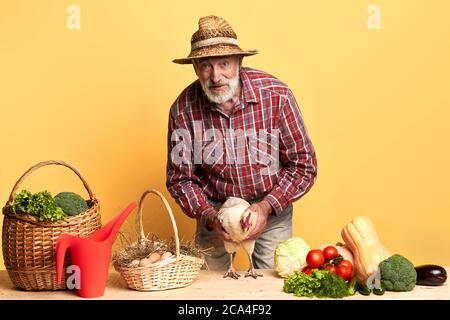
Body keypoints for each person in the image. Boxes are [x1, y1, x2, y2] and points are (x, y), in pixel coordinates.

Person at [166, 15, 317, 270]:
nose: (215, 76)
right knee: (209, 293)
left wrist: (266, 206)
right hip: (214, 211)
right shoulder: (183, 110)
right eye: (205, 66)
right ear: (194, 68)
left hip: (271, 207)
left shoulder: (277, 96)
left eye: (224, 63)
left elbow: (303, 165)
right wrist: (212, 218)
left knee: (271, 288)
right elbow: (180, 180)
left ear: (239, 62)